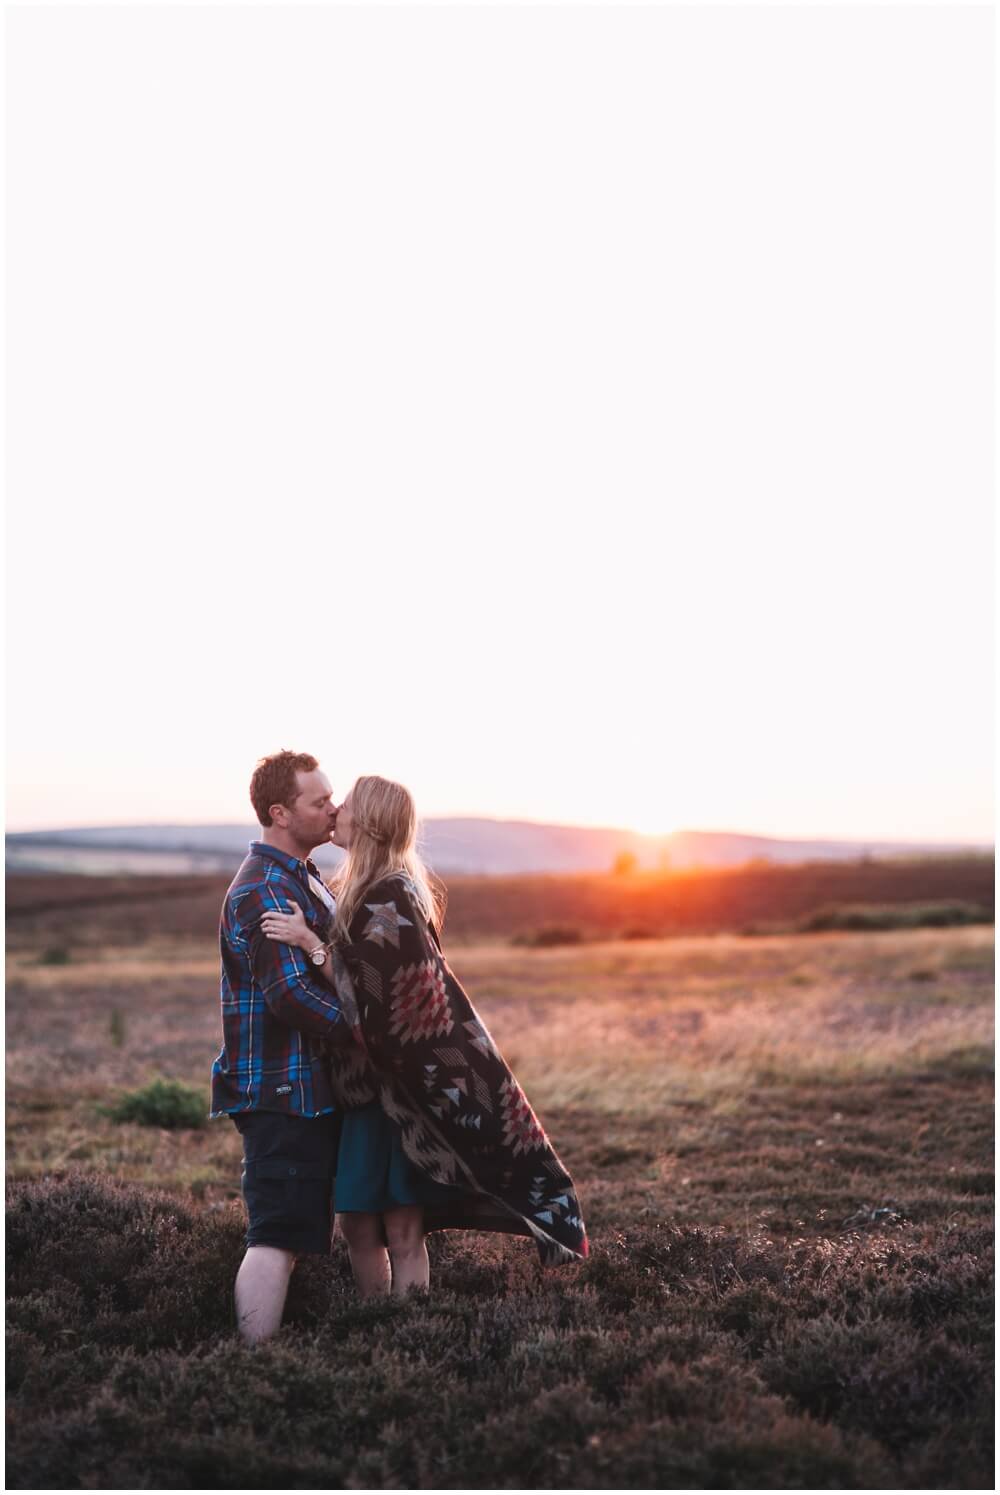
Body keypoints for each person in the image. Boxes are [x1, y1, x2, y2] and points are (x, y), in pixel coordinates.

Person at [260, 774, 588, 1299]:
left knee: (401, 1227)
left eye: (344, 804)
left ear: (366, 823)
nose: (335, 811)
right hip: (363, 1092)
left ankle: (409, 1327)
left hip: (399, 1093)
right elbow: (372, 984)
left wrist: (312, 947)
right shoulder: (357, 890)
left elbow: (385, 1004)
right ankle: (378, 1325)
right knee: (360, 1224)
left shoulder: (390, 896)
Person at [210, 749, 357, 1344]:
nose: (333, 808)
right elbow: (291, 997)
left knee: (292, 1232)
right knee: (275, 1236)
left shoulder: (301, 878)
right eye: (318, 801)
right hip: (280, 1090)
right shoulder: (266, 889)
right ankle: (252, 1369)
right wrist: (370, 1033)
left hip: (304, 1087)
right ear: (279, 812)